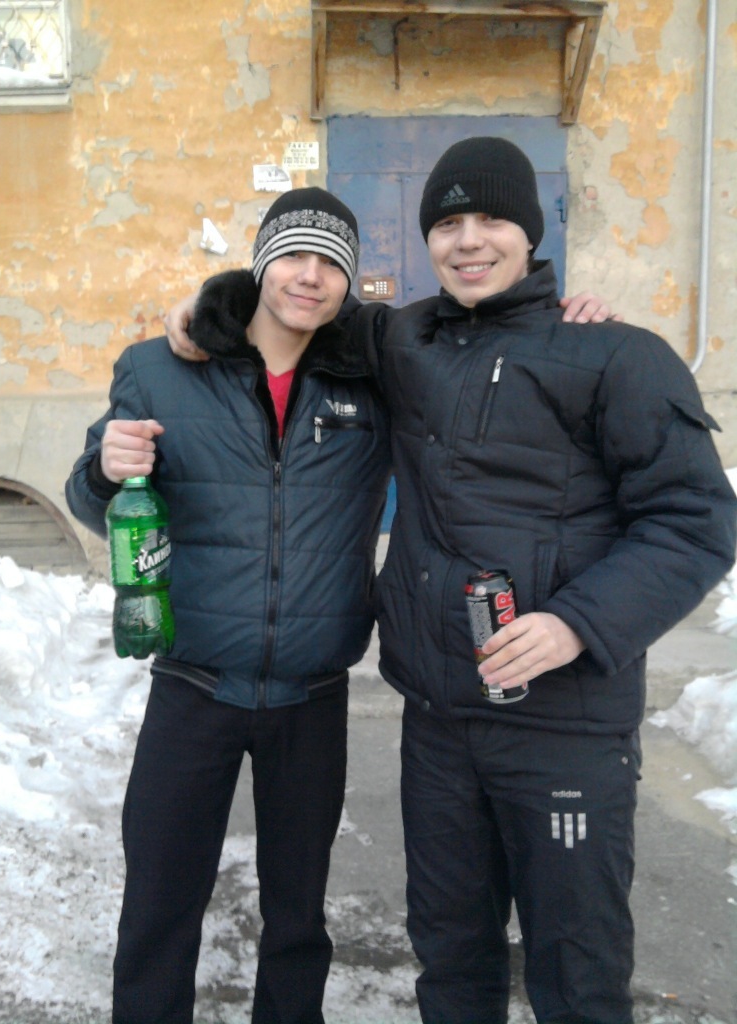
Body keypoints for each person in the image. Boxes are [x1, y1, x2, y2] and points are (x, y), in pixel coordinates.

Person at [165, 139, 737, 1024]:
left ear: (532, 233)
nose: (470, 240)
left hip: (564, 727)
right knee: (451, 957)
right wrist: (199, 312)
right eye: (448, 223)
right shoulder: (405, 340)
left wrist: (575, 624)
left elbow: (696, 520)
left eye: (492, 219)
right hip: (438, 723)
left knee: (577, 972)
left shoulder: (617, 356)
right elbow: (293, 302)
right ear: (428, 239)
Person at [65, 187, 393, 1024]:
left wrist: (571, 317)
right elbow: (91, 494)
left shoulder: (372, 380)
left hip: (311, 696)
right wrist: (104, 468)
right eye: (293, 256)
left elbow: (464, 338)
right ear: (260, 264)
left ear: (348, 284)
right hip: (193, 685)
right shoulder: (158, 369)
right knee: (160, 901)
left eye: (331, 264)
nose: (309, 277)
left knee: (298, 914)